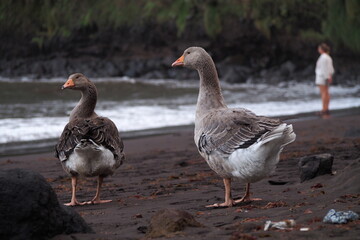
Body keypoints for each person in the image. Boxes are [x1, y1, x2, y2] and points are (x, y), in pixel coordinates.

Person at [315, 43, 334, 116]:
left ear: (322, 49)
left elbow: (324, 68)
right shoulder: (328, 57)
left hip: (322, 77)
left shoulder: (323, 57)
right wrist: (329, 76)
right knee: (326, 92)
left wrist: (327, 77)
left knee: (323, 93)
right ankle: (326, 108)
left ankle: (324, 109)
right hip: (326, 76)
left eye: (319, 48)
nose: (318, 50)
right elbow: (330, 68)